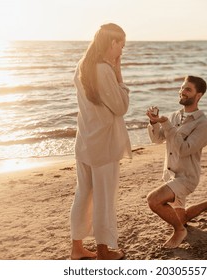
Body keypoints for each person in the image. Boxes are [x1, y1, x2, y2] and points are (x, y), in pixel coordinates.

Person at [70, 23, 131, 260]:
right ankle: (103, 251)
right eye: (121, 46)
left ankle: (77, 248)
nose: (122, 52)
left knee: (83, 195)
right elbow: (121, 106)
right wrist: (120, 76)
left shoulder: (82, 66)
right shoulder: (104, 70)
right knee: (104, 198)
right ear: (112, 43)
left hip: (85, 140)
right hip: (103, 144)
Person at [146, 75, 207, 248]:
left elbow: (183, 149)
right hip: (170, 175)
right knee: (181, 218)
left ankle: (179, 231)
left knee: (153, 200)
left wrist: (167, 125)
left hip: (187, 178)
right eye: (182, 88)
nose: (182, 92)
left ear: (199, 95)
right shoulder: (174, 116)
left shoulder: (203, 125)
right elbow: (157, 140)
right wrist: (153, 122)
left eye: (188, 89)